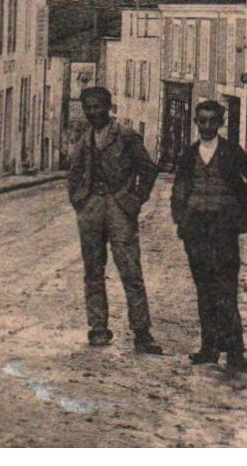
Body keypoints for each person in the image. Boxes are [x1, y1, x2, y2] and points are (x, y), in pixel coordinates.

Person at [171, 99, 247, 372]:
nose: (207, 126)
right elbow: (179, 190)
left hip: (223, 230)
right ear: (196, 123)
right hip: (196, 231)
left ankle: (235, 353)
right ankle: (208, 348)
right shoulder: (189, 155)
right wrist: (181, 216)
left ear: (221, 123)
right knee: (204, 290)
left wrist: (240, 203)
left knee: (226, 289)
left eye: (213, 121)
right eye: (202, 121)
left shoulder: (231, 152)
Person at [68, 86, 163, 354]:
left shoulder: (125, 136)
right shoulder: (84, 139)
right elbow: (73, 173)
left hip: (120, 207)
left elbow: (148, 169)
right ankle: (98, 327)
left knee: (130, 270)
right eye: (88, 107)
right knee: (93, 271)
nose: (93, 112)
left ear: (108, 107)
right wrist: (80, 201)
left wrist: (135, 200)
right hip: (91, 210)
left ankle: (142, 333)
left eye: (98, 106)